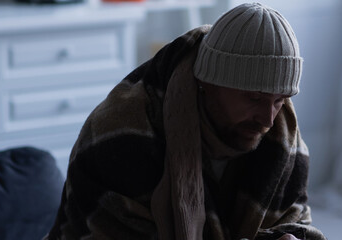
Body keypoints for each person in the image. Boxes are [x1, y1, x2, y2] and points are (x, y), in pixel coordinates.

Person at [45, 3, 325, 240]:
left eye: (280, 100)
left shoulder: (280, 132)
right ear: (208, 83)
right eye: (253, 98)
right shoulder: (121, 134)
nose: (267, 119)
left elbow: (297, 221)